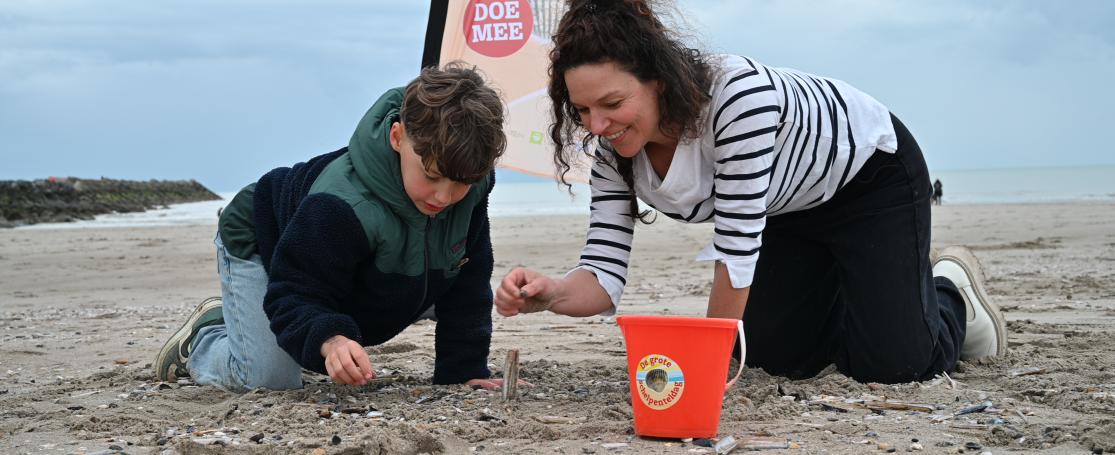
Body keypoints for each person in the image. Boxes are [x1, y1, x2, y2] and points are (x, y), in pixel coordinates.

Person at [494, 0, 1007, 384]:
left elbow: (736, 251)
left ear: (659, 81)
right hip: (783, 207)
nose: (597, 124)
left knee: (897, 367)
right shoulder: (611, 148)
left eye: (610, 103)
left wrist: (704, 371)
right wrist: (553, 293)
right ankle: (872, 298)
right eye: (582, 110)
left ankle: (951, 296)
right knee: (776, 358)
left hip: (869, 178)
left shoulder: (735, 98)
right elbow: (604, 274)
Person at [154, 64, 509, 391]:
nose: (445, 196)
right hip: (263, 241)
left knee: (448, 281)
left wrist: (464, 370)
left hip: (362, 276)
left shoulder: (470, 184)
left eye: (462, 182)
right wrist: (332, 339)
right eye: (431, 175)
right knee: (268, 380)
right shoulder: (340, 206)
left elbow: (468, 280)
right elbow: (296, 293)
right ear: (397, 137)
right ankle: (205, 338)